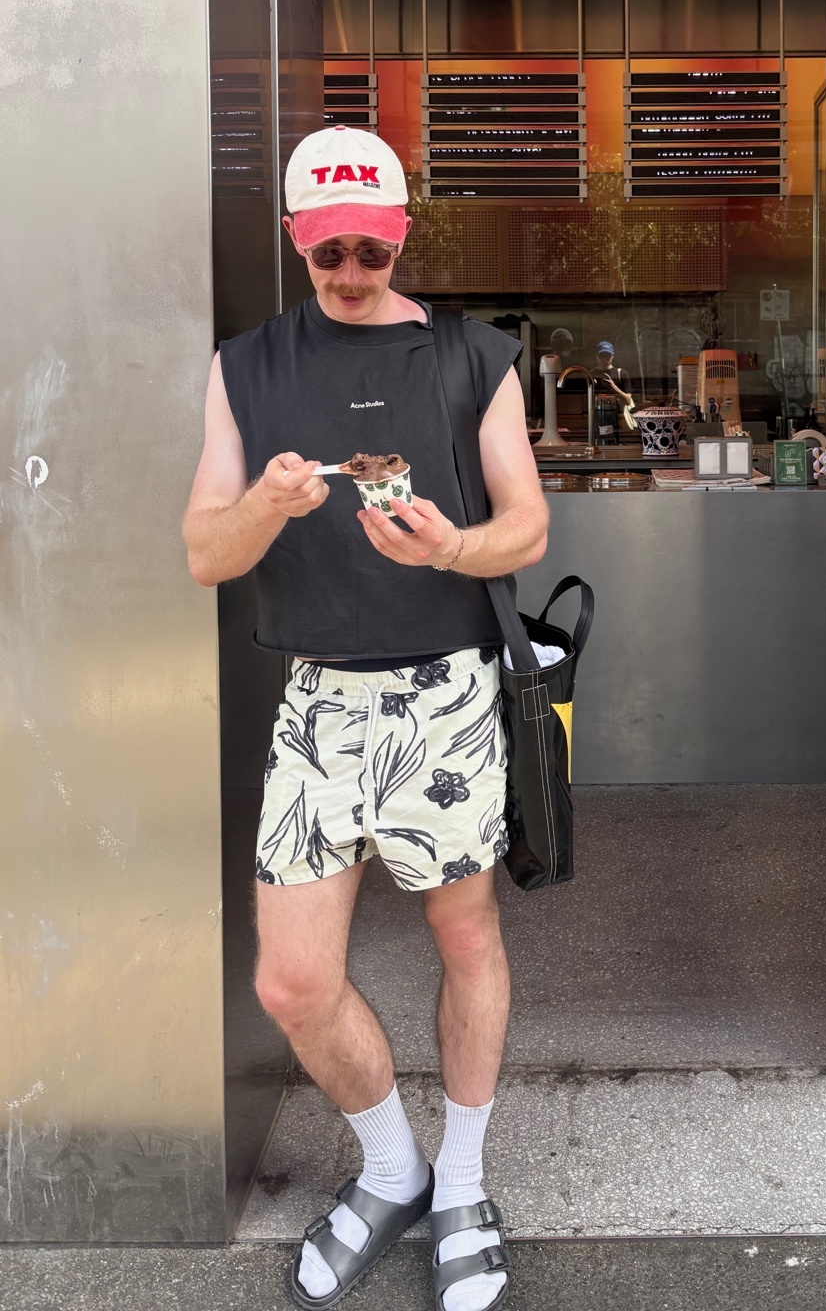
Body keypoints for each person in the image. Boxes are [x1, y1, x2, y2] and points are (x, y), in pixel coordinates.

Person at [183, 125, 547, 1311]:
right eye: (329, 247)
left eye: (371, 246)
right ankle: (392, 1167)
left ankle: (463, 1186)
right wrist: (269, 510)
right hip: (316, 705)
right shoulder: (245, 365)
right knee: (291, 981)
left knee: (465, 941)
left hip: (445, 692)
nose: (351, 267)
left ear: (400, 232)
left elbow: (528, 528)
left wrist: (453, 546)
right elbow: (204, 554)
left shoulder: (473, 354)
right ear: (296, 237)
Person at [591, 341, 634, 441]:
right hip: (599, 414)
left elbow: (628, 400)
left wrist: (613, 387)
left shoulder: (621, 373)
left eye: (608, 356)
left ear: (612, 356)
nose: (605, 359)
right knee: (602, 440)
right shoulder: (591, 374)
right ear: (596, 356)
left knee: (611, 439)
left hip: (618, 416)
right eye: (602, 356)